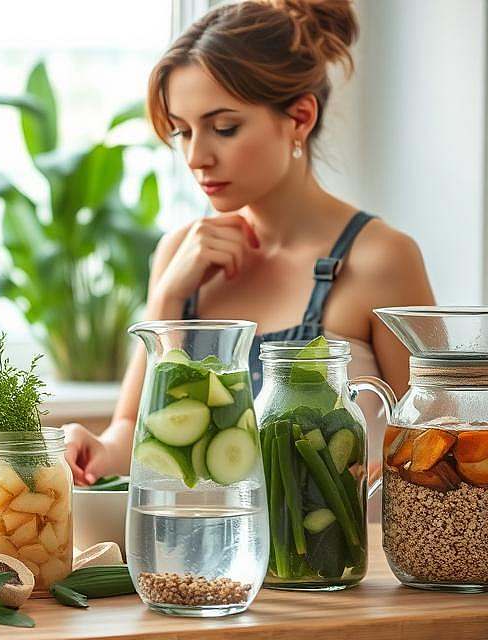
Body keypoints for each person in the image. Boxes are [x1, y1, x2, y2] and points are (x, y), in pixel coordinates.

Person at [64, 0, 435, 486]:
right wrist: (168, 301)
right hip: (199, 561)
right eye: (182, 132)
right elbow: (131, 435)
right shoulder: (179, 255)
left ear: (299, 118)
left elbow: (432, 444)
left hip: (337, 561)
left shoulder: (381, 258)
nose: (196, 156)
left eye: (224, 128)